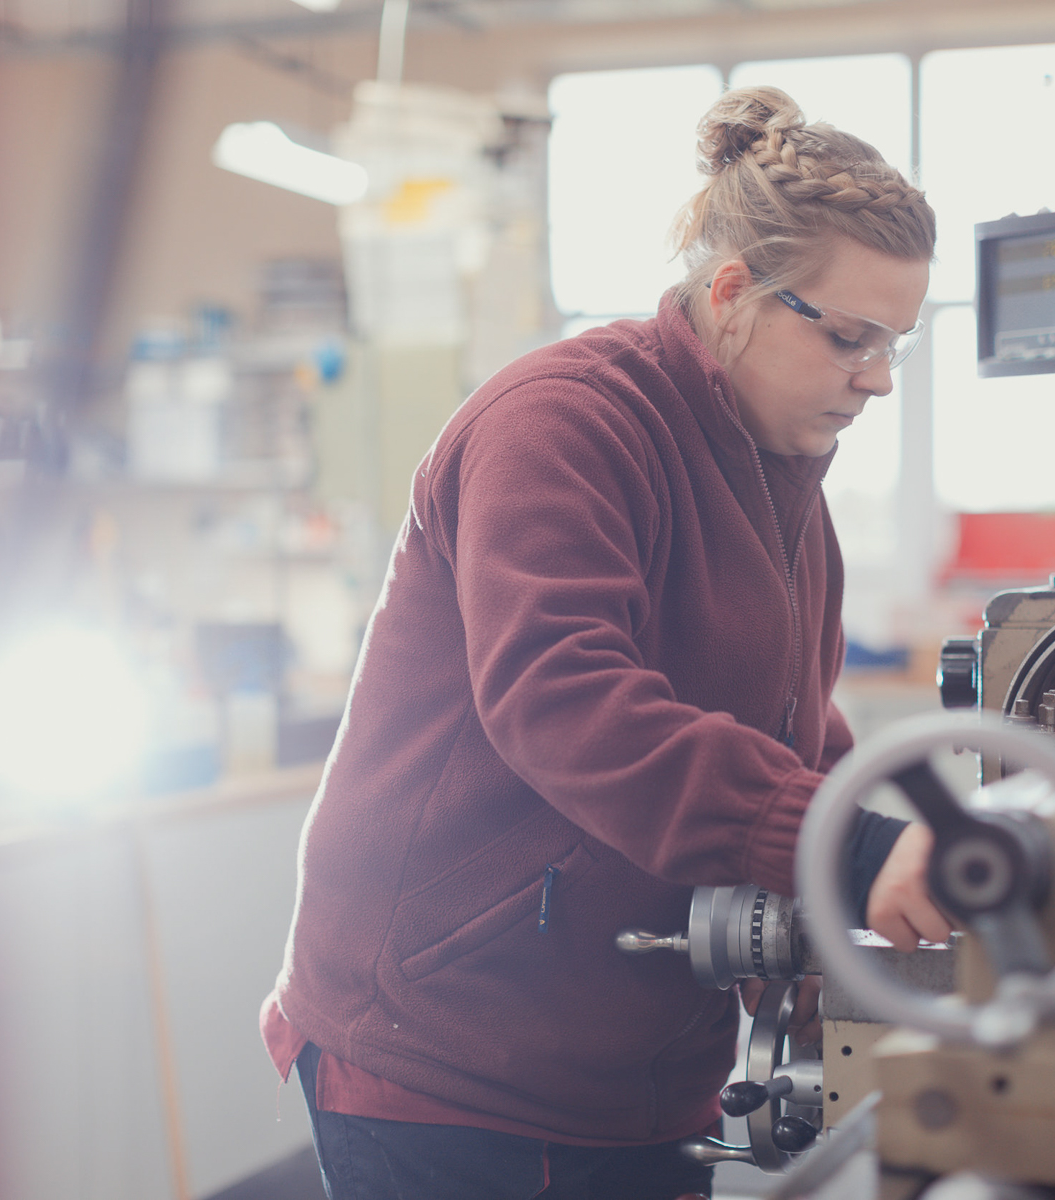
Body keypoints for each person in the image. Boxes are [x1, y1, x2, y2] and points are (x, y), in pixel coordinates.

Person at [261, 85, 951, 1200]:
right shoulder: (564, 424)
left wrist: (853, 903)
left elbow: (792, 723)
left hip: (630, 1069)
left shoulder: (787, 491)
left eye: (896, 346)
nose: (876, 376)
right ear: (733, 294)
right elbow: (563, 699)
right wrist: (843, 846)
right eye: (853, 338)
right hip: (448, 1053)